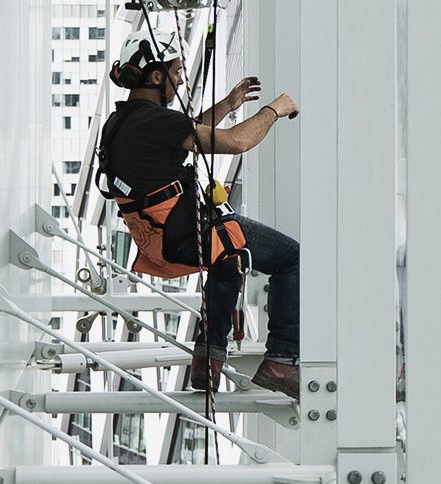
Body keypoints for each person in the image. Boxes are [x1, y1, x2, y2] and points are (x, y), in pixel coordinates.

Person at [98, 29, 303, 398]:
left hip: (160, 239)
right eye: (176, 72)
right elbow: (237, 142)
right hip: (185, 234)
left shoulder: (121, 123)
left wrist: (227, 104)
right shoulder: (158, 122)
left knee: (228, 263)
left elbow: (184, 133)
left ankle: (206, 360)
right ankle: (281, 362)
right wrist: (276, 109)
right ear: (156, 76)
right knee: (291, 258)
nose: (180, 81)